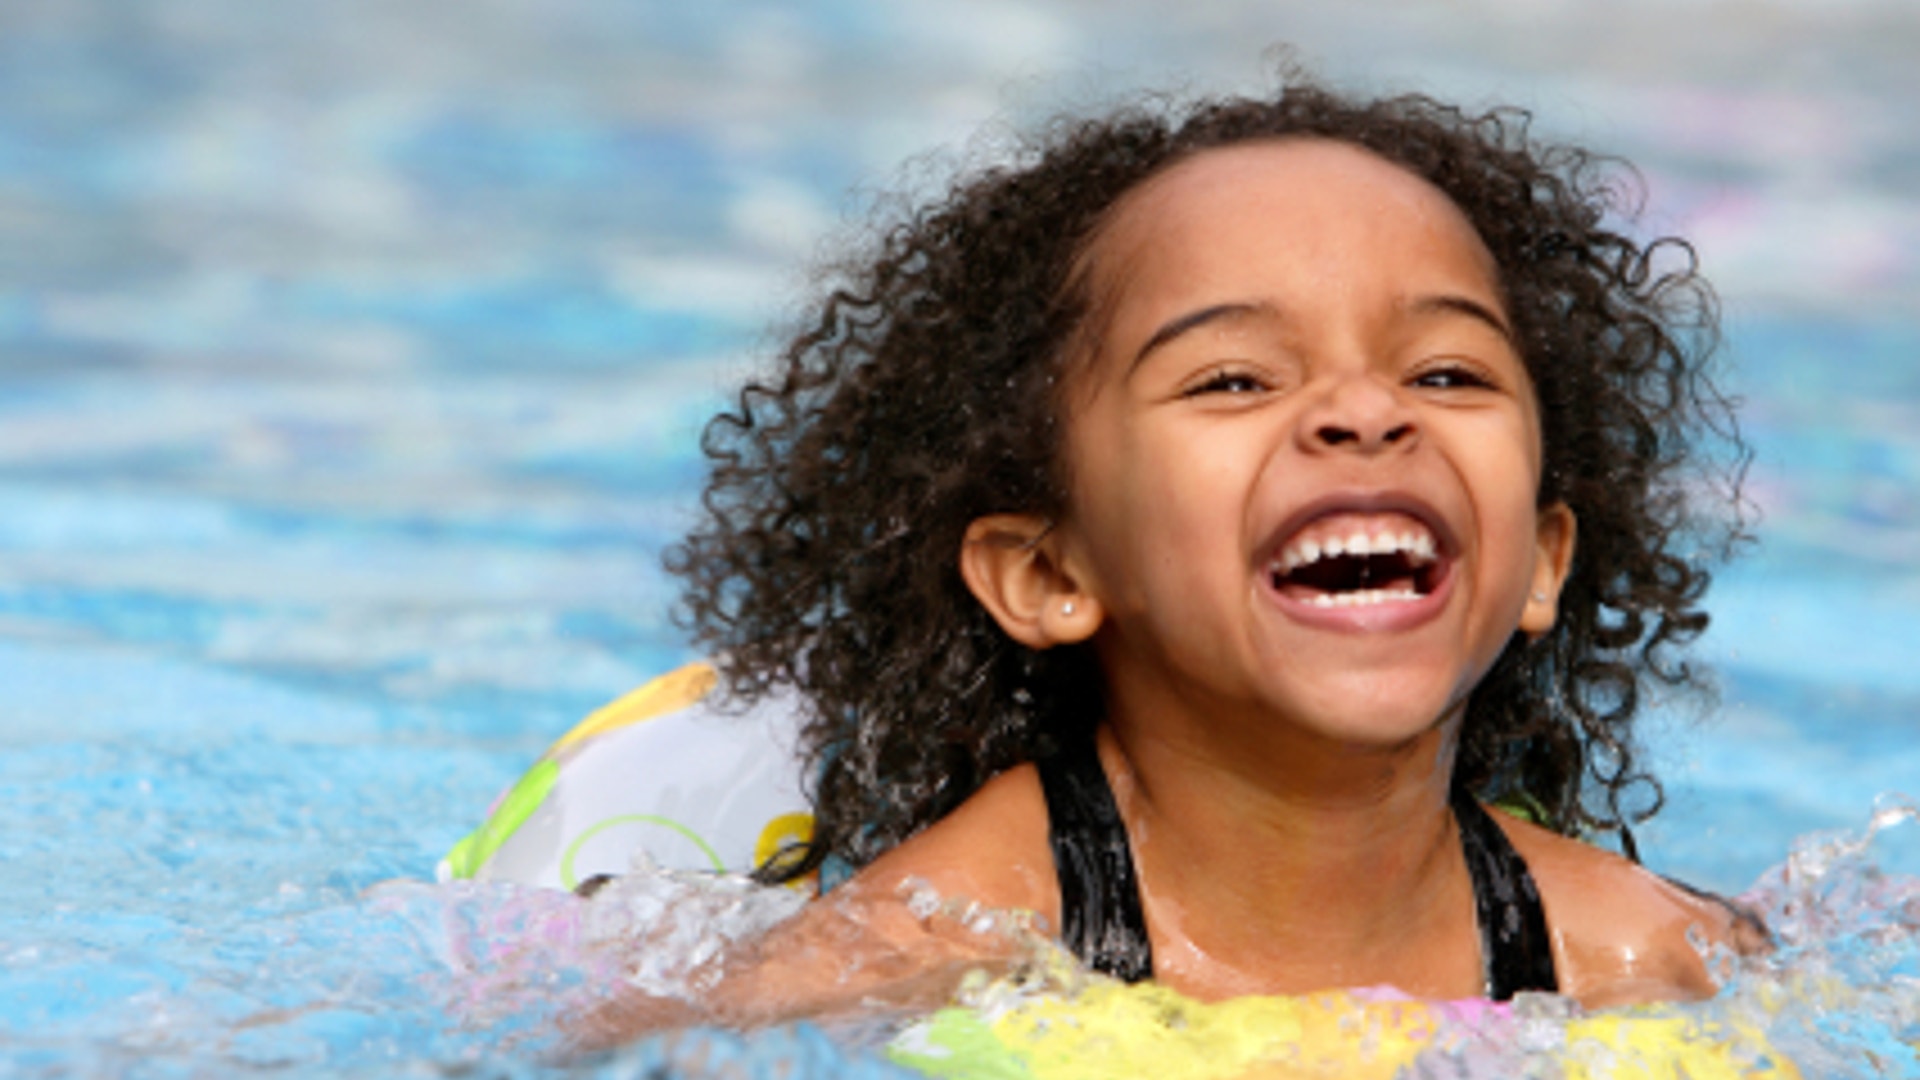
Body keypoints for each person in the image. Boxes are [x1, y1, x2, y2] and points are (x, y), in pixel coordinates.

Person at [595, 73, 1758, 1038]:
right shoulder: (952, 937)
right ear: (1050, 575)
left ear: (1544, 563)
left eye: (1445, 373)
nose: (1363, 410)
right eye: (1234, 379)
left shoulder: (1631, 948)